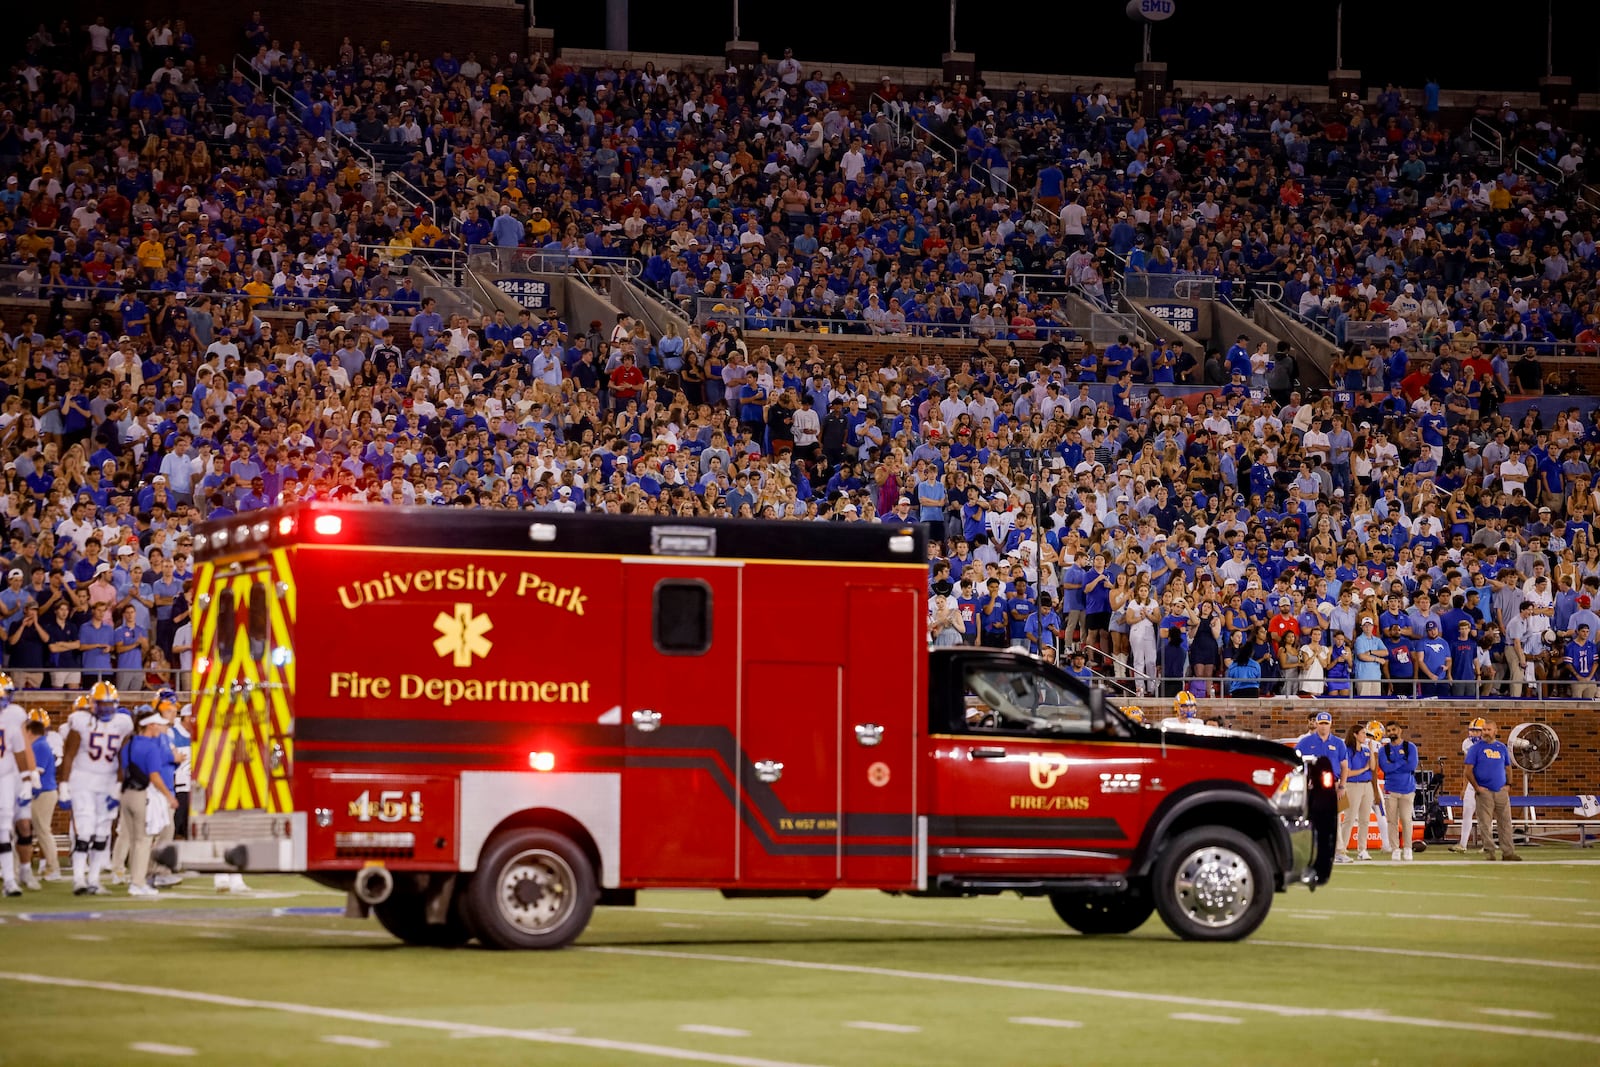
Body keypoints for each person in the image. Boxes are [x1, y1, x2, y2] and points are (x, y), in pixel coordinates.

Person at [58, 681, 134, 895]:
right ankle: (78, 880)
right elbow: (69, 754)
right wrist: (64, 785)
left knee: (102, 833)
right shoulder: (80, 720)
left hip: (108, 780)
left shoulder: (123, 723)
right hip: (82, 780)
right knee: (84, 831)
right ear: (93, 704)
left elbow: (122, 757)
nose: (106, 709)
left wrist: (119, 785)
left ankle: (94, 880)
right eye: (102, 704)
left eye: (110, 705)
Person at [119, 705, 179, 896]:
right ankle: (137, 883)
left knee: (136, 840)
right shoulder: (150, 747)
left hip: (126, 794)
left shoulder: (128, 744)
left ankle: (135, 879)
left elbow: (121, 770)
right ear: (150, 726)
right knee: (144, 840)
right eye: (157, 725)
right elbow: (154, 777)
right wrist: (169, 796)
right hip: (142, 795)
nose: (160, 729)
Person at [0, 674, 39, 896]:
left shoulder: (13, 716)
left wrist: (28, 776)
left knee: (19, 826)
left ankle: (20, 874)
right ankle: (9, 878)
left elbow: (21, 747)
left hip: (9, 776)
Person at [1464, 719, 1521, 861]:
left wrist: (1509, 785)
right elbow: (1468, 771)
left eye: (1488, 730)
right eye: (1483, 730)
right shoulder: (1475, 748)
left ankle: (1508, 852)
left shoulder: (1501, 747)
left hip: (1501, 791)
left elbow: (1508, 768)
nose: (1485, 733)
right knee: (1485, 823)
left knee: (1505, 822)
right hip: (1484, 791)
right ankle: (1489, 852)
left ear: (1495, 731)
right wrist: (1477, 787)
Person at [25, 714, 61, 882]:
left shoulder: (39, 746)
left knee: (43, 831)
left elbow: (36, 772)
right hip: (42, 792)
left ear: (31, 731)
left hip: (43, 793)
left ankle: (53, 868)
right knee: (39, 831)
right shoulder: (40, 744)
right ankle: (50, 867)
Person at [1338, 721, 1380, 862]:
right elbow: (1347, 772)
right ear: (1355, 735)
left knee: (1364, 819)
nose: (1365, 736)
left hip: (1366, 785)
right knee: (1349, 819)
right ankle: (1341, 849)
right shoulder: (1347, 750)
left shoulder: (1366, 750)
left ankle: (1362, 849)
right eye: (1362, 733)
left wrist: (1371, 749)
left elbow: (1373, 767)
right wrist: (1363, 769)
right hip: (1352, 785)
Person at [1378, 720, 1418, 861]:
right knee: (1391, 821)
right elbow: (1385, 768)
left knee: (1406, 820)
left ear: (1400, 730)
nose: (1391, 733)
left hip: (1407, 789)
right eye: (1389, 731)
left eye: (1394, 730)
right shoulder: (1384, 750)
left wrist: (1395, 764)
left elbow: (1411, 766)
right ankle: (1395, 849)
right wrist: (1402, 761)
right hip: (1391, 790)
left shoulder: (1410, 747)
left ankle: (1407, 848)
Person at [1449, 717, 1486, 853]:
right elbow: (1468, 768)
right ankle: (1463, 844)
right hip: (1472, 784)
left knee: (1484, 816)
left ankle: (1487, 845)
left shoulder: (1490, 745)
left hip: (1485, 783)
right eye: (1472, 731)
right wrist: (1464, 787)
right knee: (1467, 813)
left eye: (1477, 731)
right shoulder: (1467, 743)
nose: (1473, 734)